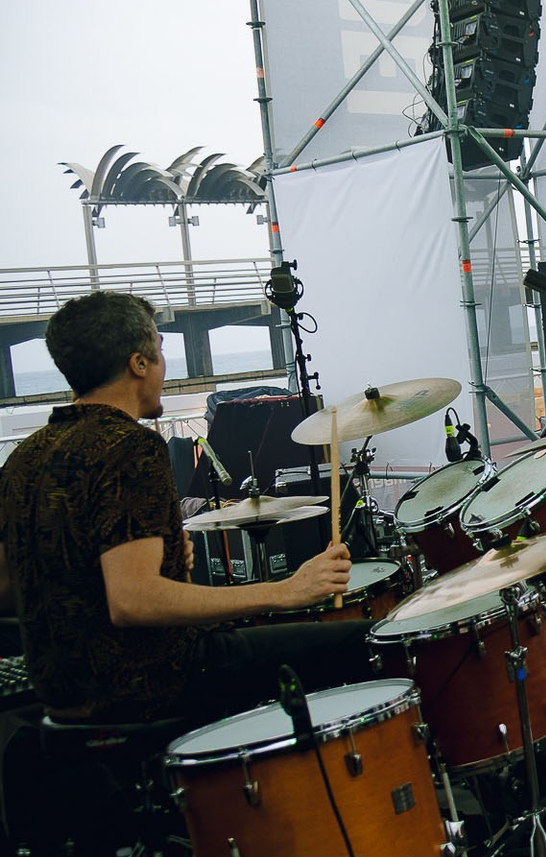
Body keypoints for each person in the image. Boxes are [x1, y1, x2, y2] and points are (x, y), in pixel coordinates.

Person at [0, 291, 357, 723]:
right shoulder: (131, 446)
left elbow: (10, 587)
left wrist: (159, 561)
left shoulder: (25, 456)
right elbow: (133, 601)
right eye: (160, 349)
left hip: (62, 693)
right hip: (152, 681)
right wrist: (287, 591)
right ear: (139, 364)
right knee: (362, 643)